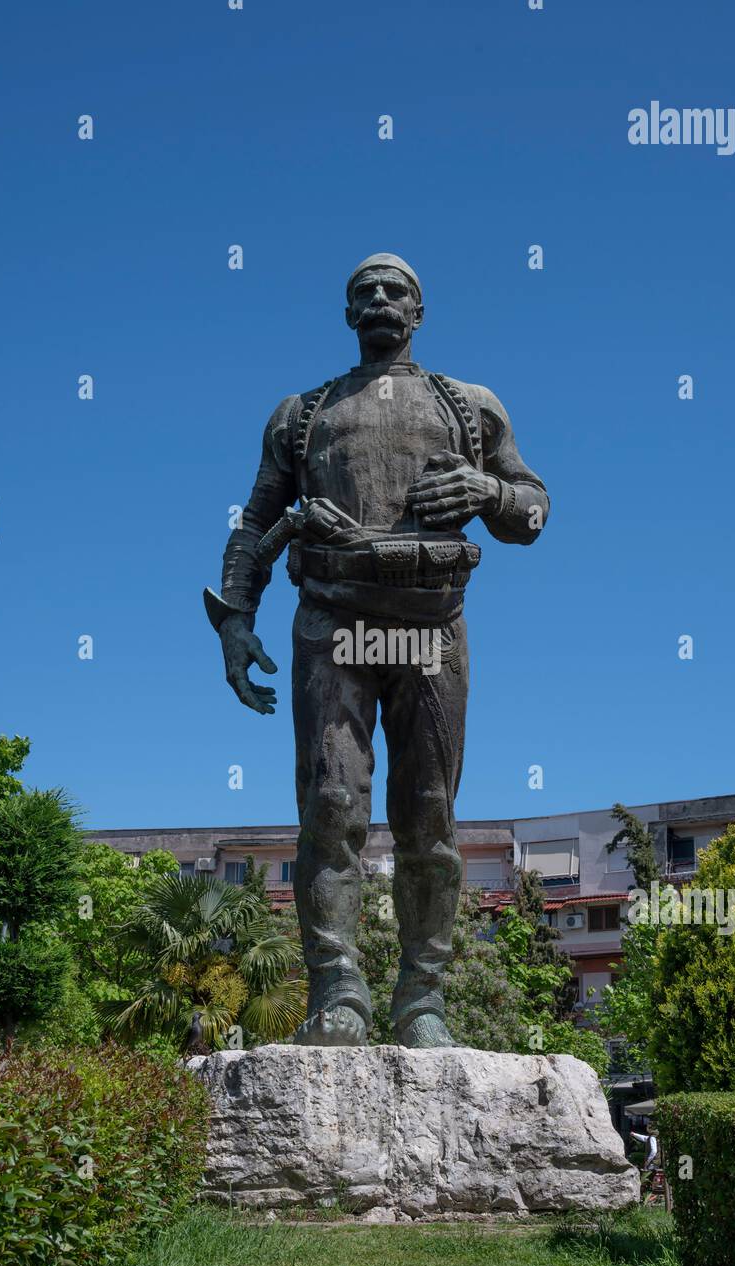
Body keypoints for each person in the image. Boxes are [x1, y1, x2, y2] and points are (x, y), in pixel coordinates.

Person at [206, 254, 549, 1047]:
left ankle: (422, 1001)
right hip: (332, 626)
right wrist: (233, 619)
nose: (380, 301)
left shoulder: (470, 405)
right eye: (364, 293)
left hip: (431, 628)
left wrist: (487, 492)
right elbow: (255, 521)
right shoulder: (302, 414)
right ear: (348, 314)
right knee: (331, 810)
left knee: (428, 815)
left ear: (420, 311)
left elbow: (533, 508)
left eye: (396, 291)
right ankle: (338, 993)